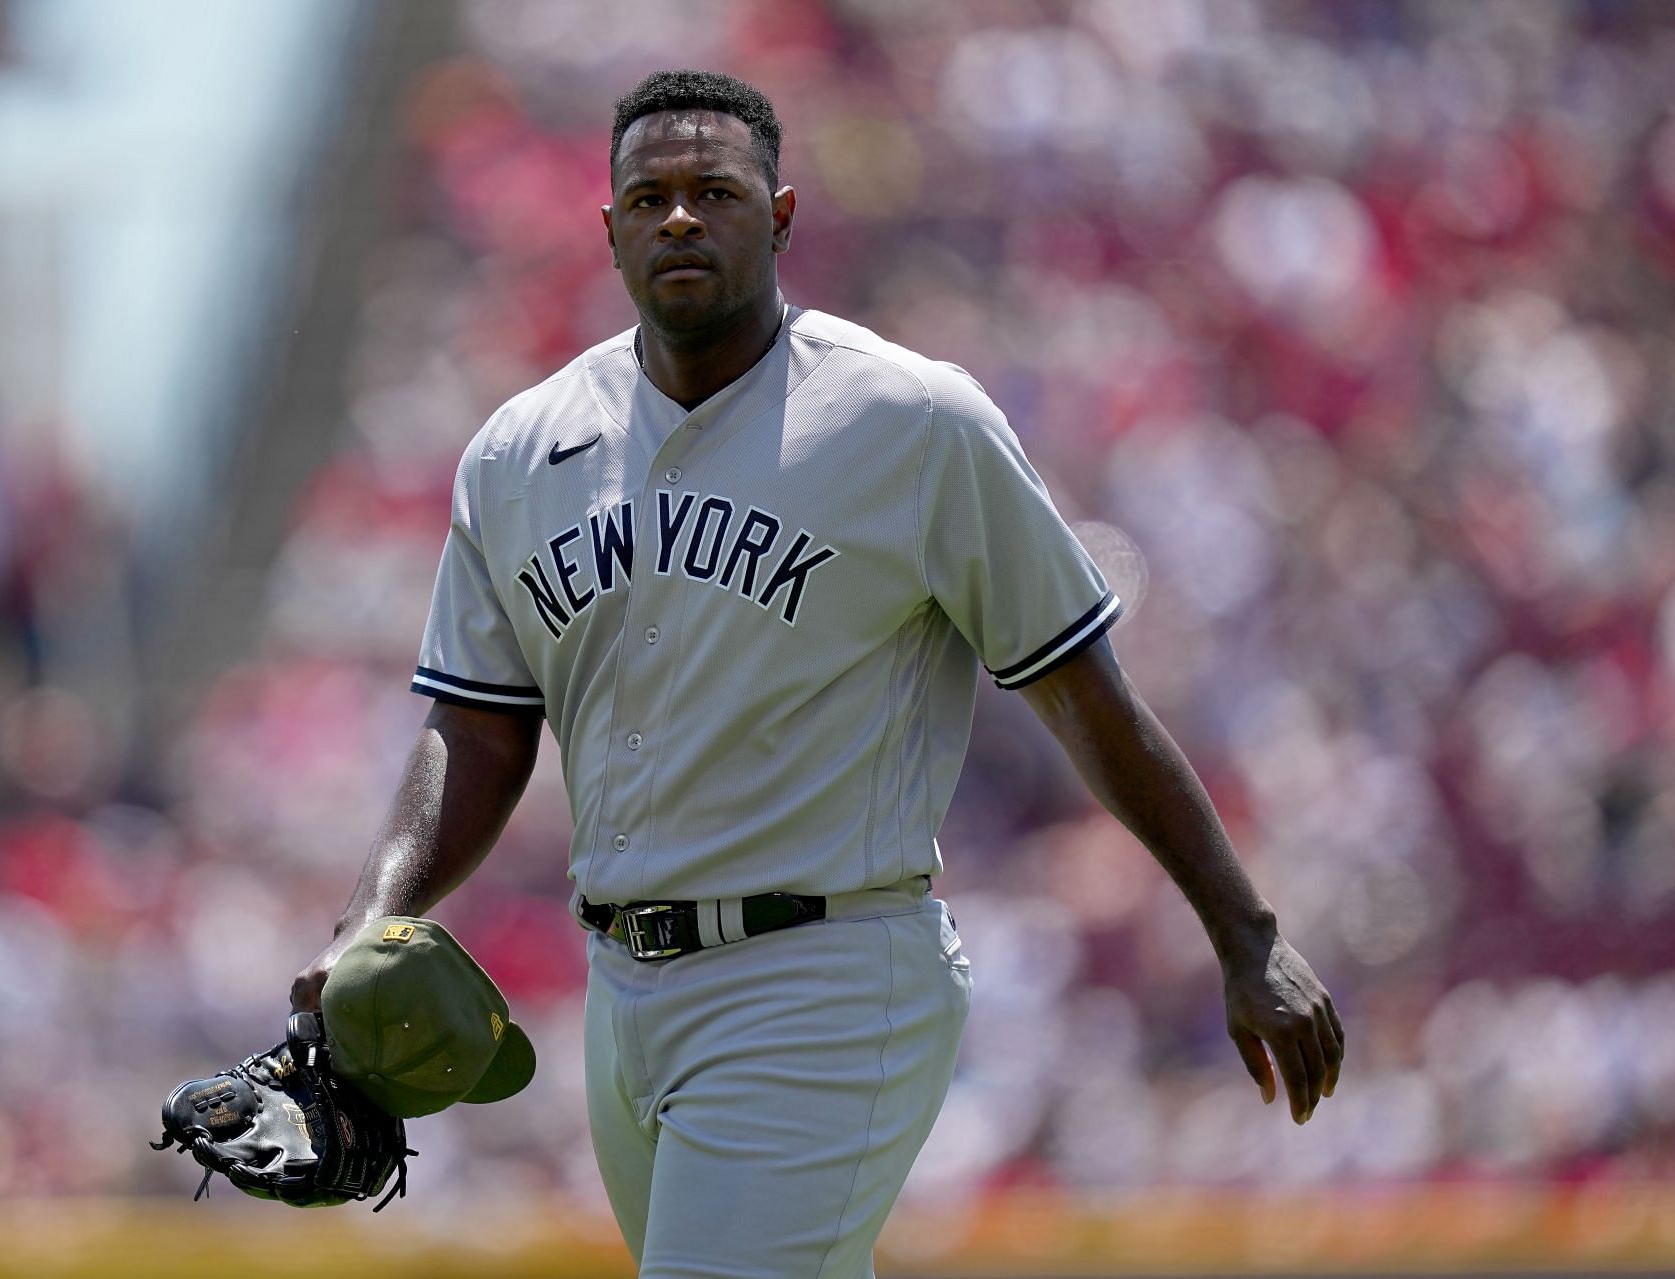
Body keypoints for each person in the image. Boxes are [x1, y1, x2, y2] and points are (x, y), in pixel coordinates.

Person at [292, 68, 1342, 1278]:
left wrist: (1245, 932)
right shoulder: (521, 449)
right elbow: (475, 732)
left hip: (825, 976)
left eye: (715, 192)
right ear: (609, 228)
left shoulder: (913, 419)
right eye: (651, 198)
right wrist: (372, 912)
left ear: (781, 215)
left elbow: (1083, 695)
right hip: (624, 992)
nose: (680, 218)